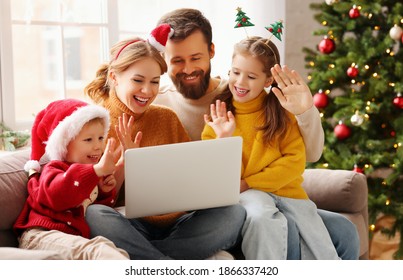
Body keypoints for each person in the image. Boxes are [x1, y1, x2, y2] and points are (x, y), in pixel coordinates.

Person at [154, 8, 359, 259]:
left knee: (342, 231)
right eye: (177, 60)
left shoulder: (277, 109)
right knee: (269, 221)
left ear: (211, 53)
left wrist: (305, 110)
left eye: (195, 57)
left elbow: (300, 158)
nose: (240, 82)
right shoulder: (207, 111)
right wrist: (224, 141)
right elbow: (213, 176)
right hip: (241, 202)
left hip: (281, 192)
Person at [84, 24, 246, 260]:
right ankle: (169, 264)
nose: (147, 91)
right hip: (130, 223)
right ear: (114, 77)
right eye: (138, 80)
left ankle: (154, 261)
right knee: (95, 215)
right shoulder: (95, 126)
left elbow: (193, 176)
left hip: (179, 223)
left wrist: (221, 142)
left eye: (154, 82)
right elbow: (96, 199)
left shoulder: (166, 117)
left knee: (234, 213)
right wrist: (125, 162)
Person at [202, 36, 339, 259]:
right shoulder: (218, 116)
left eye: (251, 76)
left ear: (267, 81)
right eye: (236, 72)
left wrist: (249, 182)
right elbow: (218, 176)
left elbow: (294, 161)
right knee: (261, 218)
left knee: (322, 250)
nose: (240, 82)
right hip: (250, 196)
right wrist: (224, 139)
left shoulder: (281, 112)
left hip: (288, 193)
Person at [13, 99, 129, 260]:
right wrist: (96, 171)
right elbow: (60, 194)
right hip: (41, 236)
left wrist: (103, 191)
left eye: (101, 138)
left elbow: (92, 214)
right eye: (88, 140)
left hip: (72, 238)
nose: (98, 146)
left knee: (117, 252)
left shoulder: (93, 174)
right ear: (64, 144)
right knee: (101, 253)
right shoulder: (53, 169)